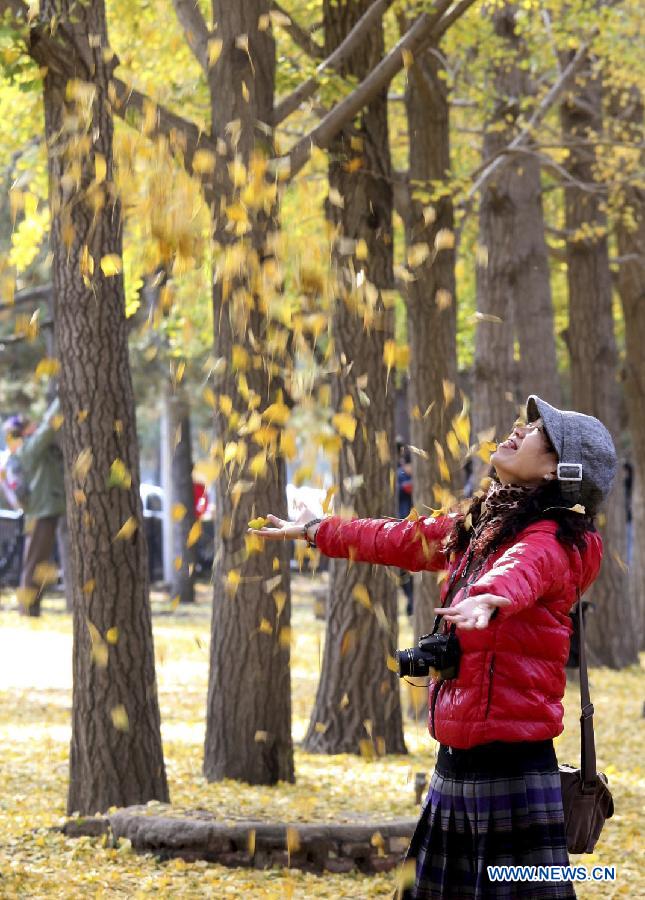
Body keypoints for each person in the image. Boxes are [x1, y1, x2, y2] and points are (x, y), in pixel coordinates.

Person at [251, 394, 617, 899]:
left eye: (538, 433)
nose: (518, 430)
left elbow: (525, 570)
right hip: (454, 763)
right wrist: (317, 530)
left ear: (558, 469)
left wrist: (490, 597)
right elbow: (401, 538)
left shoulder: (556, 541)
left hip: (511, 768)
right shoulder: (484, 526)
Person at [2, 399, 65, 616]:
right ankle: (27, 609)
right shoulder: (29, 449)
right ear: (23, 432)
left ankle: (30, 607)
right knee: (34, 562)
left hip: (43, 510)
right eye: (29, 425)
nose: (34, 426)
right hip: (41, 511)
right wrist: (60, 399)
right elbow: (48, 428)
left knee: (38, 562)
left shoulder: (29, 450)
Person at [396, 439, 414, 616]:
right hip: (401, 527)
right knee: (403, 572)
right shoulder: (399, 476)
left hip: (413, 530)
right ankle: (410, 600)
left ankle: (412, 601)